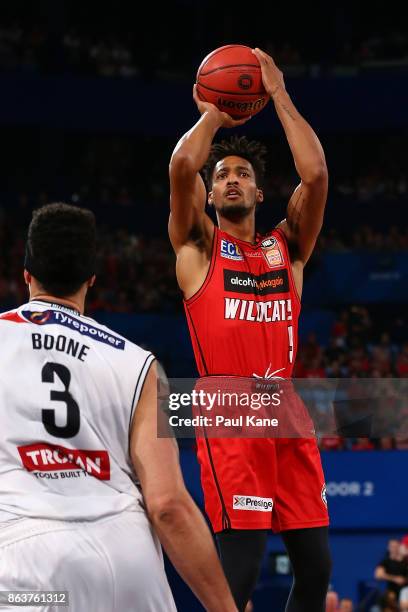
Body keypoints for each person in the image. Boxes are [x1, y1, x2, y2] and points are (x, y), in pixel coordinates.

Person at [0, 203, 237, 612]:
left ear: (26, 275)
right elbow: (168, 505)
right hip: (131, 565)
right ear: (91, 280)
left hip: (28, 566)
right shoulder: (139, 363)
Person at [169, 47, 330, 611]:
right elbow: (180, 167)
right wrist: (214, 113)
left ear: (261, 193)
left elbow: (315, 174)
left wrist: (279, 94)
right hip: (230, 403)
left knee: (316, 567)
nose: (232, 179)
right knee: (241, 568)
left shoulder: (289, 251)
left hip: (285, 406)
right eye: (223, 175)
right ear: (210, 196)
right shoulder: (199, 249)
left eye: (242, 174)